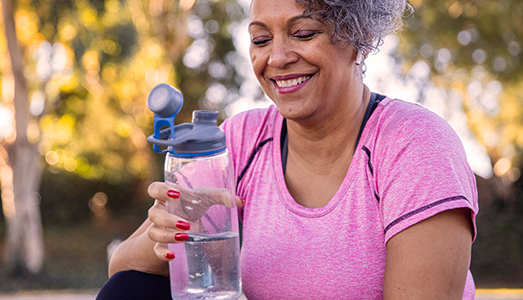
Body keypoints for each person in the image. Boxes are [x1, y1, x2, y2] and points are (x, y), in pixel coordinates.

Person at [100, 0, 479, 299]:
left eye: (302, 33)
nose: (277, 58)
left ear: (358, 38)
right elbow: (122, 272)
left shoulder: (415, 144)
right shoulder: (240, 139)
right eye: (261, 40)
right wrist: (168, 235)